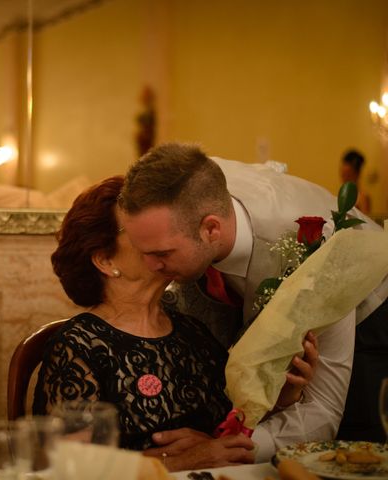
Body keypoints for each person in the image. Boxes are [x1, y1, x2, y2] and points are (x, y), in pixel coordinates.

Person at [118, 142, 388, 460]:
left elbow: (324, 410)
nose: (148, 268)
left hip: (369, 307)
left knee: (350, 452)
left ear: (211, 229)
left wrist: (232, 448)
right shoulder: (193, 184)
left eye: (161, 254)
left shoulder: (315, 249)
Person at [32, 176, 318, 471]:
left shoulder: (192, 332)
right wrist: (180, 461)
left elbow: (229, 431)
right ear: (105, 260)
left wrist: (281, 394)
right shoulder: (79, 345)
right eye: (138, 228)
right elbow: (67, 467)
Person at [340, 149, 371, 214]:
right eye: (343, 174)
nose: (343, 177)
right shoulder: (343, 194)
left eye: (347, 175)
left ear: (356, 173)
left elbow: (366, 221)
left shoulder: (362, 198)